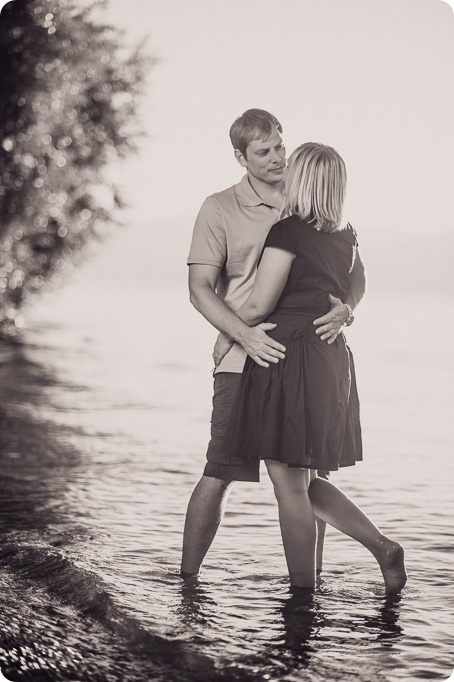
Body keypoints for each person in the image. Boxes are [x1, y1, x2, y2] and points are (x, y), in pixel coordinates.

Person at [182, 110, 405, 596]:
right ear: (240, 157)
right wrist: (237, 333)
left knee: (298, 480)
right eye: (264, 152)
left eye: (281, 147)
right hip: (250, 361)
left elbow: (356, 276)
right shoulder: (220, 207)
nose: (277, 158)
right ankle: (189, 583)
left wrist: (347, 307)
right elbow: (200, 288)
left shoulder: (310, 210)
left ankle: (306, 593)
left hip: (295, 360)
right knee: (222, 470)